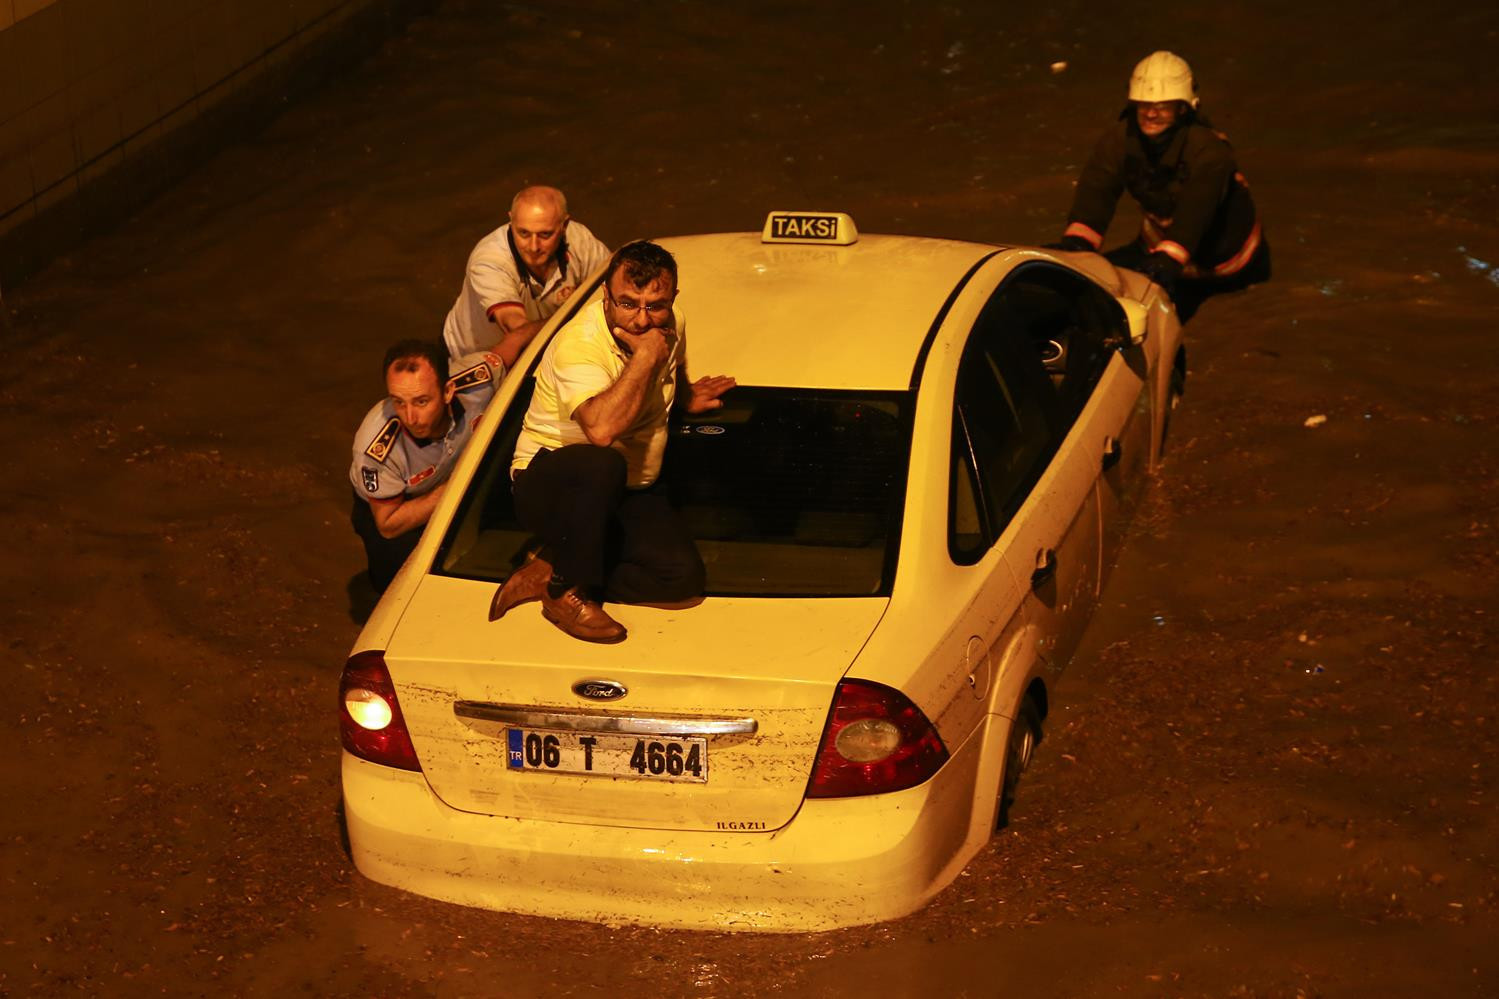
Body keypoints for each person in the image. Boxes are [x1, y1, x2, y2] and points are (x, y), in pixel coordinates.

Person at [488, 240, 736, 643]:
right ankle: (564, 590)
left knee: (681, 580)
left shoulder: (672, 322)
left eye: (655, 306)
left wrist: (685, 395)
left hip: (628, 485)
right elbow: (601, 431)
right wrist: (645, 357)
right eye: (627, 304)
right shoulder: (579, 344)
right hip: (551, 485)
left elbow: (673, 366)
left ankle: (551, 566)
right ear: (606, 295)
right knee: (603, 461)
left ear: (673, 298)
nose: (641, 320)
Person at [1048, 51, 1269, 320]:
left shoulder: (1209, 152)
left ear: (1182, 109)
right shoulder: (1120, 140)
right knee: (1091, 288)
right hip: (1161, 250)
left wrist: (1167, 262)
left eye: (1163, 106)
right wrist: (1076, 247)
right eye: (1144, 105)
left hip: (1227, 268)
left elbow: (1195, 214)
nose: (1151, 114)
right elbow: (1097, 192)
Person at [350, 340, 499, 593]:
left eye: (421, 402)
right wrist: (459, 485)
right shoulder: (376, 450)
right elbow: (388, 524)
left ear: (448, 391)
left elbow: (511, 348)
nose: (410, 418)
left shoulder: (479, 381)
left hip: (449, 485)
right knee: (400, 588)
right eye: (399, 402)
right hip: (394, 508)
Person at [442, 185, 611, 369]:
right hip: (474, 359)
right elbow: (518, 332)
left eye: (545, 234)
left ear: (564, 226)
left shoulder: (580, 241)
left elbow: (613, 285)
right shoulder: (489, 261)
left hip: (541, 348)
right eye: (523, 233)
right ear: (511, 221)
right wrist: (579, 313)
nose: (533, 247)